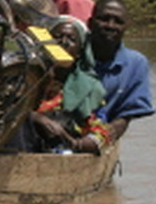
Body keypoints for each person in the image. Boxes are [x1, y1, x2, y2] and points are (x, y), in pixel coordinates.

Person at [21, 16, 110, 154]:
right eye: (57, 37)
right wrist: (36, 118)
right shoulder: (26, 76)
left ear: (80, 51)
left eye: (71, 39)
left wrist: (73, 142)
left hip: (61, 149)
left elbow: (101, 134)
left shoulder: (90, 87)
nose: (63, 42)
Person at [88, 0, 155, 145]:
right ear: (90, 23)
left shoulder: (136, 64)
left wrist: (103, 136)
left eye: (118, 21)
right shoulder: (72, 54)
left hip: (101, 133)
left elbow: (126, 114)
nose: (110, 25)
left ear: (126, 28)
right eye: (104, 19)